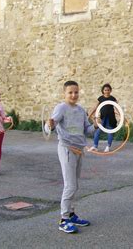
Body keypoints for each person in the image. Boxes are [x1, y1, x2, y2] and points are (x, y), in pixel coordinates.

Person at [47, 81, 98, 234]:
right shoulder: (61, 108)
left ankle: (71, 214)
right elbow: (51, 125)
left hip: (79, 150)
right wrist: (49, 125)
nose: (73, 95)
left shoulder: (81, 110)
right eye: (70, 92)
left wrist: (95, 126)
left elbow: (86, 130)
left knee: (74, 184)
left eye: (76, 92)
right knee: (70, 185)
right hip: (66, 149)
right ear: (65, 93)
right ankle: (63, 219)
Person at [88, 83, 117, 152]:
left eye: (108, 90)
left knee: (110, 132)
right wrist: (89, 115)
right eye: (105, 90)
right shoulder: (101, 98)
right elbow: (96, 107)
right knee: (97, 131)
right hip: (102, 117)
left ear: (110, 90)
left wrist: (122, 116)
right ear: (103, 91)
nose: (107, 91)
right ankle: (95, 146)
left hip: (111, 118)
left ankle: (108, 146)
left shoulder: (112, 98)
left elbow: (117, 107)